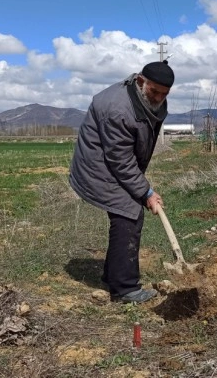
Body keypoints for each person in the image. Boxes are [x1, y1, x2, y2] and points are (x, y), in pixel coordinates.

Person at [69, 60, 174, 303]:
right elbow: (120, 159)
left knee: (129, 210)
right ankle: (124, 289)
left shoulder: (147, 99)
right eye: (154, 91)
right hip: (97, 165)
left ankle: (113, 275)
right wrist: (146, 192)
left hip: (113, 161)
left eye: (164, 94)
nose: (158, 97)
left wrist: (142, 189)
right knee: (128, 213)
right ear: (140, 81)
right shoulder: (118, 109)